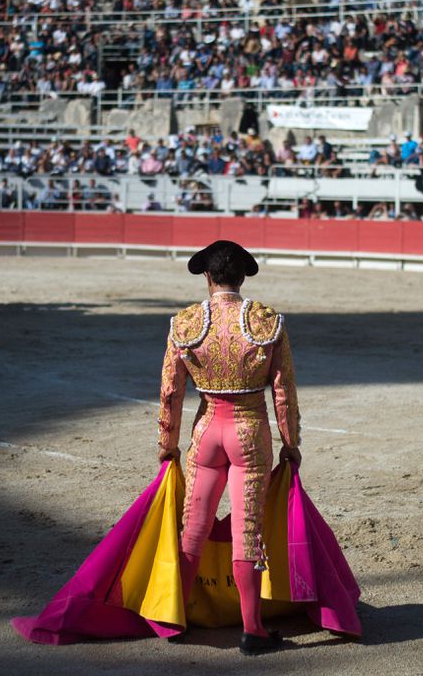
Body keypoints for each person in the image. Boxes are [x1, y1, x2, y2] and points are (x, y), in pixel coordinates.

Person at [158, 241, 300, 655]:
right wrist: (291, 445)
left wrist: (167, 445)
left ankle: (177, 616)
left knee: (193, 530)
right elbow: (283, 393)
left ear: (207, 277)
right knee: (247, 532)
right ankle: (252, 630)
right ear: (242, 277)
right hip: (249, 433)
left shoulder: (185, 323)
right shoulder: (265, 321)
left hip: (206, 433)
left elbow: (170, 392)